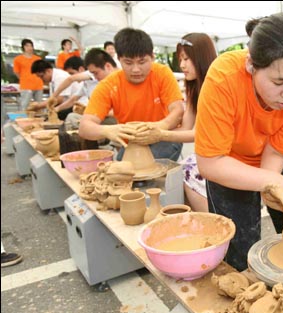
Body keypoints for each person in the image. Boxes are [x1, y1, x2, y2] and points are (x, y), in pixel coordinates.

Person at [195, 13, 283, 271]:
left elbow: (275, 150)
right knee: (240, 255)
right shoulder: (224, 77)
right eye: (279, 82)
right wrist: (271, 182)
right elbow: (210, 163)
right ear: (251, 64)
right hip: (228, 163)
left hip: (278, 159)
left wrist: (270, 183)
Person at [135, 33, 217, 212]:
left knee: (189, 170)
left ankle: (212, 225)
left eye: (186, 59)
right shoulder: (196, 88)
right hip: (211, 151)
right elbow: (186, 126)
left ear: (201, 58)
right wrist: (152, 128)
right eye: (180, 59)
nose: (182, 65)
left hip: (231, 153)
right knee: (178, 171)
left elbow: (201, 135)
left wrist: (161, 134)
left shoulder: (216, 88)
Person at [78, 28, 184, 161]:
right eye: (128, 62)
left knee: (141, 166)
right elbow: (84, 127)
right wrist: (107, 131)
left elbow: (178, 111)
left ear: (152, 57)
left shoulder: (162, 73)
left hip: (165, 137)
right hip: (133, 143)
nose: (136, 69)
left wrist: (158, 128)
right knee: (121, 169)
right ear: (119, 59)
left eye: (142, 62)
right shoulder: (109, 85)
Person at [51, 49, 118, 130]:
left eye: (96, 73)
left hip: (116, 121)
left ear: (108, 66)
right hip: (101, 117)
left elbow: (71, 79)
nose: (95, 77)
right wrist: (56, 109)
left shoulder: (121, 80)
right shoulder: (101, 82)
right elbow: (73, 100)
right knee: (72, 118)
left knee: (79, 123)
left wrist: (91, 111)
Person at [13, 39, 44, 111]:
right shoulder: (18, 59)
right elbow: (16, 71)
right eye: (27, 46)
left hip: (38, 84)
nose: (29, 48)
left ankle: (40, 120)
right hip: (26, 85)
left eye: (31, 46)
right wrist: (23, 79)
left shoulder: (37, 58)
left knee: (40, 106)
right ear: (23, 47)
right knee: (25, 105)